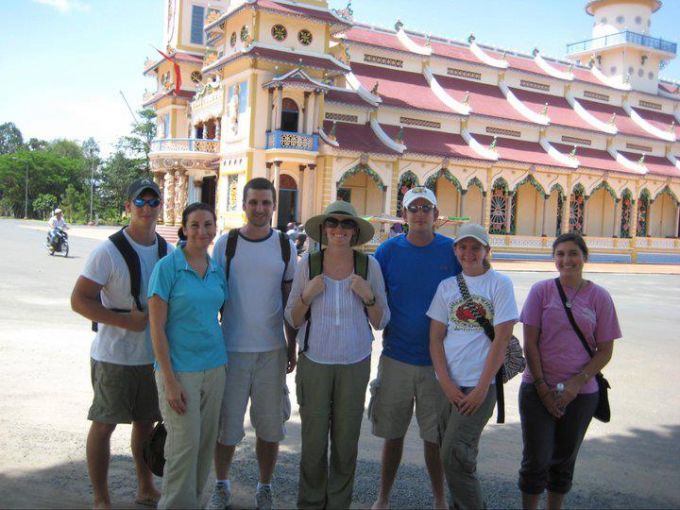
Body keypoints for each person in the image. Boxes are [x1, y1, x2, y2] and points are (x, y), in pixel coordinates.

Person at [70, 178, 169, 509]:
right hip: (114, 357)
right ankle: (101, 498)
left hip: (150, 357)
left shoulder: (167, 252)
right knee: (103, 425)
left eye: (152, 202)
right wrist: (126, 321)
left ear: (161, 206)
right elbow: (80, 300)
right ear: (128, 206)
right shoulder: (107, 251)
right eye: (139, 202)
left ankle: (145, 486)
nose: (146, 208)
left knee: (145, 424)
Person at [285, 201, 390, 509]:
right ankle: (311, 502)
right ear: (324, 228)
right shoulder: (309, 264)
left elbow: (382, 320)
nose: (339, 230)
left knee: (346, 444)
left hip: (354, 363)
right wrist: (307, 295)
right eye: (333, 223)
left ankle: (339, 504)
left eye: (346, 225)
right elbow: (292, 318)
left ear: (354, 231)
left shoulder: (369, 266)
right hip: (315, 361)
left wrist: (368, 296)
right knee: (314, 443)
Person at [207, 178, 297, 510]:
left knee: (270, 426)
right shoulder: (226, 244)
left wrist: (292, 346)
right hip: (230, 350)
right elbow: (211, 294)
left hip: (271, 351)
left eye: (265, 203)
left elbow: (289, 298)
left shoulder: (285, 246)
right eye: (253, 202)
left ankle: (265, 485)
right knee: (226, 426)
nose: (259, 209)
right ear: (244, 205)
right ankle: (221, 484)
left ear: (274, 206)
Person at [370, 186, 461, 510]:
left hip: (439, 364)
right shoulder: (387, 252)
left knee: (433, 437)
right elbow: (369, 291)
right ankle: (383, 498)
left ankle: (439, 500)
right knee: (392, 435)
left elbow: (476, 289)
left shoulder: (452, 251)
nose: (420, 214)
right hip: (396, 357)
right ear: (404, 215)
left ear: (436, 216)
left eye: (426, 208)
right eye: (414, 208)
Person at [518, 233, 620, 510]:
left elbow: (605, 350)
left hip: (581, 394)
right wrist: (542, 387)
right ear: (554, 259)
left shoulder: (599, 297)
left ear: (584, 257)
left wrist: (576, 383)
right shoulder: (541, 291)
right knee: (535, 459)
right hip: (537, 388)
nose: (567, 260)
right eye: (560, 254)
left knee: (563, 459)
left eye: (573, 253)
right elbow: (530, 343)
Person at [428, 223, 518, 509]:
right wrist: (445, 383)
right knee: (457, 454)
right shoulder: (447, 286)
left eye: (475, 247)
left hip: (481, 385)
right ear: (455, 251)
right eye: (463, 247)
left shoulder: (499, 284)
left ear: (487, 251)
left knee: (454, 454)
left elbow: (502, 339)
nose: (469, 253)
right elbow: (435, 338)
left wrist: (481, 389)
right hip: (449, 385)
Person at [148, 202, 228, 509]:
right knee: (183, 448)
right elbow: (156, 329)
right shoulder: (167, 268)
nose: (201, 231)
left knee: (204, 448)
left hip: (215, 367)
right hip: (179, 371)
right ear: (184, 229)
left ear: (214, 229)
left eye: (207, 224)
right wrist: (169, 380)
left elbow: (217, 316)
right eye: (194, 225)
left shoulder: (217, 270)